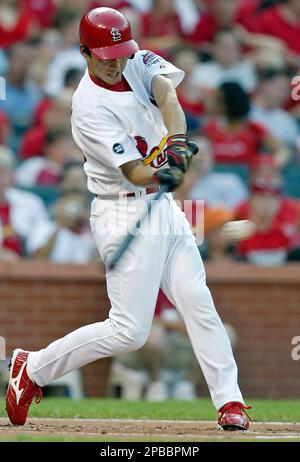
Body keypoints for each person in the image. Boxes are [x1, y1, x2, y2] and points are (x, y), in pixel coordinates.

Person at [6, 7, 251, 431]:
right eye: (104, 53)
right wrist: (163, 169)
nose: (115, 60)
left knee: (198, 301)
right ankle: (32, 368)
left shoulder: (134, 59)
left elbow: (168, 96)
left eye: (120, 50)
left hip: (161, 207)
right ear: (84, 51)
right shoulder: (88, 108)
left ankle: (229, 401)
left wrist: (176, 144)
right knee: (129, 330)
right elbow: (134, 171)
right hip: (121, 208)